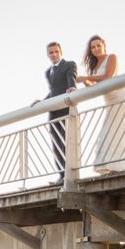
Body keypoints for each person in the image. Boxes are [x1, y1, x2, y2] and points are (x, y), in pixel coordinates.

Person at [77, 35, 125, 173]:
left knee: (122, 127)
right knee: (111, 128)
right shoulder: (94, 66)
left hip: (119, 96)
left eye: (98, 46)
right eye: (93, 47)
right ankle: (111, 164)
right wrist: (83, 81)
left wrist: (86, 77)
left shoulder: (111, 57)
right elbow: (93, 85)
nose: (96, 49)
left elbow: (108, 77)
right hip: (108, 100)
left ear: (103, 45)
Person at [32, 41, 77, 183]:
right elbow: (52, 92)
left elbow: (71, 80)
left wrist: (72, 88)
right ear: (48, 55)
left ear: (60, 52)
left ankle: (70, 174)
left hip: (65, 109)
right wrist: (42, 102)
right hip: (53, 111)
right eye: (51, 52)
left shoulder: (69, 65)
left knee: (67, 141)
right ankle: (61, 175)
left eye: (56, 51)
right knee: (56, 143)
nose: (54, 54)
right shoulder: (48, 72)